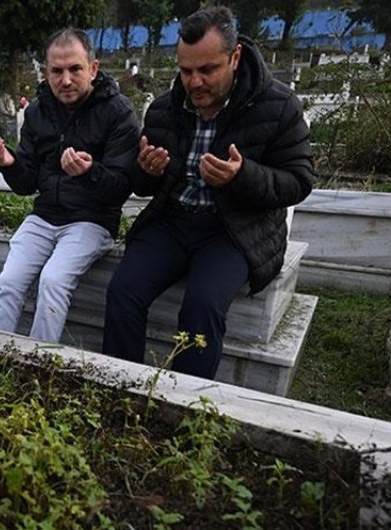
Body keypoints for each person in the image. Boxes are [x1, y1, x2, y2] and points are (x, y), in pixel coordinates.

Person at [102, 6, 314, 379]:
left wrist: (241, 176)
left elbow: (299, 181)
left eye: (207, 70)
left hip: (234, 230)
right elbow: (142, 185)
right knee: (123, 291)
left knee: (201, 307)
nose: (195, 82)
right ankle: (123, 390)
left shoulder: (278, 106)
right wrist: (148, 171)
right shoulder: (165, 109)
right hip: (173, 220)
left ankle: (183, 409)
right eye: (186, 71)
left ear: (235, 57)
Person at [0, 28, 140, 344]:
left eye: (75, 69)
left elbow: (123, 186)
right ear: (46, 71)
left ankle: (38, 366)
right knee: (9, 280)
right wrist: (9, 164)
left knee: (53, 281)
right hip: (45, 216)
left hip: (92, 220)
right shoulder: (38, 110)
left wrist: (88, 172)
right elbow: (27, 184)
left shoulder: (118, 111)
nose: (65, 80)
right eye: (57, 71)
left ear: (93, 69)